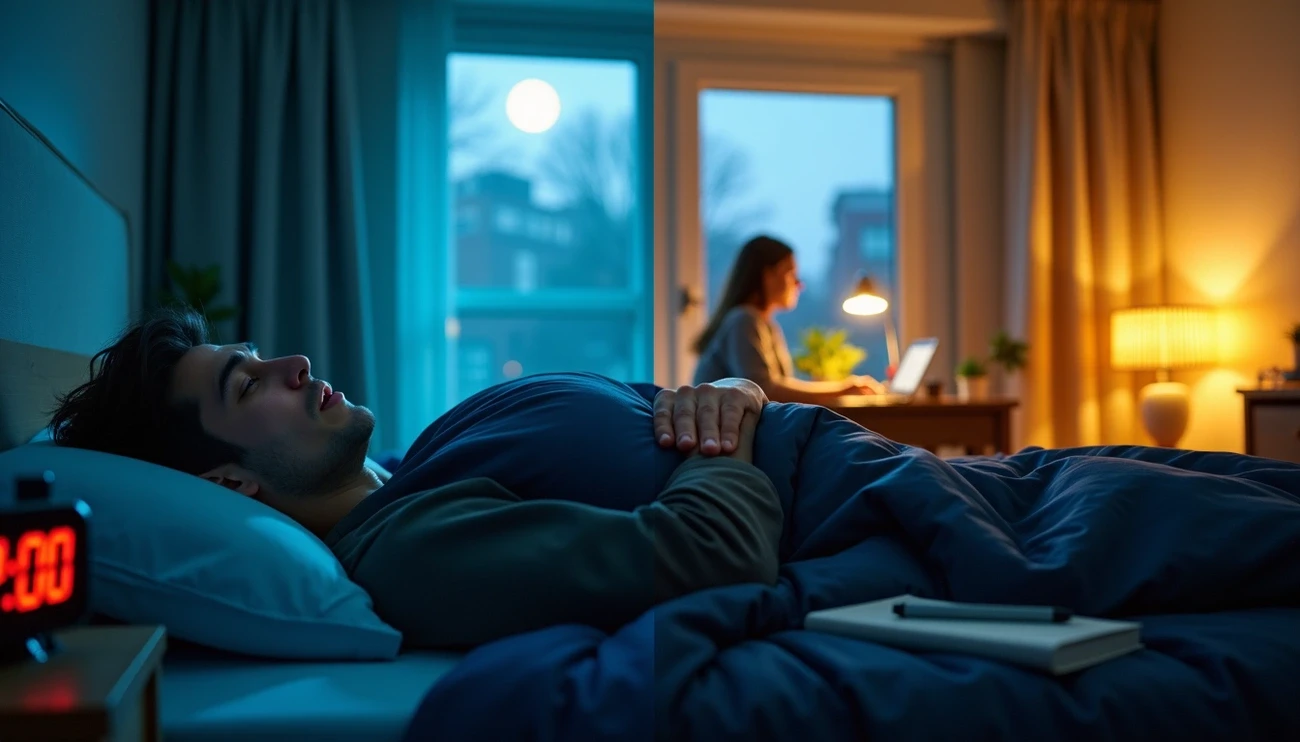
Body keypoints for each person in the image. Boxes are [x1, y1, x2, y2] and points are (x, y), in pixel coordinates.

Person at [49, 308, 780, 648]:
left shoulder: (402, 478)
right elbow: (710, 554)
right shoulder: (407, 550)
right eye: (248, 387)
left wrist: (736, 396)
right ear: (229, 484)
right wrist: (732, 424)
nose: (295, 364)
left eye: (262, 354)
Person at [693, 235, 883, 404]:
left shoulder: (762, 324)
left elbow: (777, 387)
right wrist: (843, 388)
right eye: (790, 273)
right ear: (767, 276)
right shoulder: (744, 320)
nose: (798, 284)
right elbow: (765, 390)